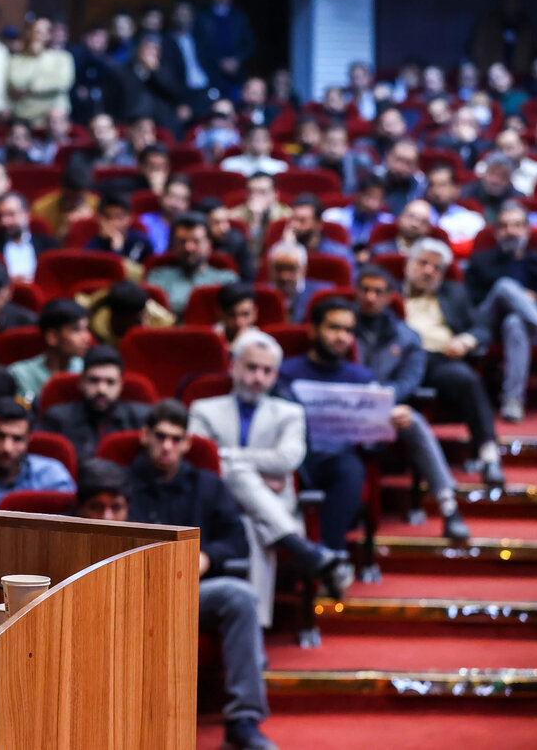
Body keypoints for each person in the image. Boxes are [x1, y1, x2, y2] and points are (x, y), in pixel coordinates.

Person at [124, 399, 274, 750]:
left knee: (240, 596)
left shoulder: (209, 485)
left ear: (188, 443)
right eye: (160, 437)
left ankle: (243, 720)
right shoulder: (122, 482)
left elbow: (239, 542)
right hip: (127, 590)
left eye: (176, 439)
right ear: (145, 436)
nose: (167, 446)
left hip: (192, 591)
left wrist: (207, 557)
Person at [189, 330, 343, 627]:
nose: (258, 377)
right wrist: (260, 471)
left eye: (267, 370)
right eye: (251, 367)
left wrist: (230, 460)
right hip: (218, 508)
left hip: (268, 512)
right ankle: (300, 547)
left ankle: (253, 629)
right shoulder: (203, 410)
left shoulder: (290, 413)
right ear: (233, 366)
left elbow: (288, 459)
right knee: (241, 481)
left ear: (275, 376)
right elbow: (202, 460)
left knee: (251, 525)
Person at [353, 266, 471, 540]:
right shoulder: (342, 326)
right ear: (356, 291)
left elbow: (410, 381)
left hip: (389, 410)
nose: (370, 297)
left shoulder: (408, 337)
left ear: (389, 297)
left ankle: (448, 506)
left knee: (415, 422)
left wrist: (381, 401)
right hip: (347, 408)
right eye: (365, 290)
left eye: (378, 292)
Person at [401, 239, 504, 483]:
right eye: (423, 263)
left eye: (436, 268)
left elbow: (482, 328)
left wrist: (467, 340)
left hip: (438, 360)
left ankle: (489, 455)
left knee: (467, 378)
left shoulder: (454, 292)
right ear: (409, 264)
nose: (428, 271)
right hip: (400, 361)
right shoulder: (390, 291)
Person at [274, 300, 370, 553]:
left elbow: (376, 438)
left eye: (349, 331)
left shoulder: (362, 378)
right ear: (313, 330)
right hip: (293, 456)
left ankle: (330, 554)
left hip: (337, 459)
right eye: (334, 328)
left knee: (350, 468)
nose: (342, 337)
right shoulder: (284, 372)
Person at [464, 203, 537, 422]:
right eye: (504, 226)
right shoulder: (482, 259)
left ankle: (513, 401)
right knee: (505, 286)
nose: (511, 231)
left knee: (514, 323)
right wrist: (512, 296)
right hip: (488, 322)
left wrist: (536, 298)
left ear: (528, 231)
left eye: (517, 225)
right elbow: (470, 300)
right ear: (495, 232)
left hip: (529, 327)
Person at [41, 345, 150, 466]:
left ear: (121, 385)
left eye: (110, 382)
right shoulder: (57, 419)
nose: (101, 389)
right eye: (94, 380)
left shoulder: (141, 419)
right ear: (81, 382)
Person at [147, 213, 239, 319]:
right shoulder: (158, 278)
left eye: (196, 241)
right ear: (173, 245)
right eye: (182, 242)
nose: (189, 248)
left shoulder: (227, 280)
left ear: (209, 244)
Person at [7, 298, 92, 404]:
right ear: (52, 337)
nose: (87, 337)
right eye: (76, 329)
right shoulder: (20, 375)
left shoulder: (87, 371)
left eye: (86, 329)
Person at [193, 0, 255, 97]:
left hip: (236, 78)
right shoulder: (201, 16)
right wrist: (219, 61)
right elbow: (199, 46)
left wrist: (237, 59)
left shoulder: (239, 17)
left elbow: (249, 43)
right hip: (209, 78)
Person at [6, 16, 75, 126]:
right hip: (25, 118)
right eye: (37, 31)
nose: (40, 36)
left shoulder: (63, 58)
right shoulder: (17, 60)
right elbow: (17, 82)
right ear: (30, 33)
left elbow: (61, 83)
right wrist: (33, 58)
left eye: (45, 31)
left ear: (50, 35)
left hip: (53, 121)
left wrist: (28, 91)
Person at [0, 192, 59, 282]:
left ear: (26, 214)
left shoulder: (48, 244)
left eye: (11, 214)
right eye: (0, 216)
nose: (4, 222)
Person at [265, 240, 332, 324]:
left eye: (291, 269)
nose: (284, 276)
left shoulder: (321, 294)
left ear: (303, 270)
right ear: (270, 269)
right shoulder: (262, 295)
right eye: (279, 268)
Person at [32, 162, 100, 242]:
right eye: (70, 197)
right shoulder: (40, 209)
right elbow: (40, 244)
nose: (74, 202)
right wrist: (65, 228)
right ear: (62, 188)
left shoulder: (97, 206)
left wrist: (91, 222)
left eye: (78, 198)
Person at [231, 172, 292, 260]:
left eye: (262, 192)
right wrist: (255, 222)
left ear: (275, 194)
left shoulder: (288, 217)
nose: (255, 197)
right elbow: (250, 256)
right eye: (251, 192)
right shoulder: (235, 216)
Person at [297, 124, 372, 193]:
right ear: (321, 143)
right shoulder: (308, 163)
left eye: (339, 142)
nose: (333, 147)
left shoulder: (361, 162)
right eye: (329, 142)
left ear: (346, 145)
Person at [423, 164, 486, 246]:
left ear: (456, 189)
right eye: (432, 185)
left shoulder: (471, 220)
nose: (436, 191)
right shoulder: (418, 215)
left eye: (442, 185)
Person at [321, 177, 393, 249]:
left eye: (379, 199)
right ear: (358, 195)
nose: (374, 204)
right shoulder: (333, 218)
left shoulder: (388, 222)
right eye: (370, 197)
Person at [478, 129, 537, 197]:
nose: (505, 153)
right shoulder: (484, 167)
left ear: (523, 147)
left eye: (510, 148)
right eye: (501, 148)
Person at [84, 192, 153, 264]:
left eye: (120, 217)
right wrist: (116, 248)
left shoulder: (141, 242)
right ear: (100, 219)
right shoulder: (92, 247)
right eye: (108, 217)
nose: (114, 223)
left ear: (130, 218)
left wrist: (118, 248)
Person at [290, 194, 353, 267]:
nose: (295, 225)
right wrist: (287, 247)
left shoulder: (339, 256)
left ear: (318, 224)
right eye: (293, 219)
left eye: (302, 220)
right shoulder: (284, 251)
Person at [369, 139, 427, 216]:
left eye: (408, 163)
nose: (401, 168)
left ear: (416, 166)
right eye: (398, 160)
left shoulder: (420, 185)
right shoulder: (373, 177)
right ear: (388, 156)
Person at [139, 175, 192, 254]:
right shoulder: (144, 222)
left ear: (188, 204)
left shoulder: (192, 229)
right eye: (172, 196)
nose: (175, 203)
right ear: (162, 197)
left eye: (182, 199)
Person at [460, 155, 520, 225]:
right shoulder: (467, 193)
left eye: (503, 176)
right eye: (492, 173)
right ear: (484, 174)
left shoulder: (517, 199)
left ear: (509, 180)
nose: (495, 180)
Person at [368, 199, 435, 258]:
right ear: (400, 218)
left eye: (423, 221)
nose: (415, 224)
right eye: (411, 217)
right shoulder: (380, 253)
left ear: (429, 228)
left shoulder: (432, 260)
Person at [220, 125, 288, 176]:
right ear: (244, 142)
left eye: (264, 139)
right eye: (255, 139)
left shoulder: (280, 167)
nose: (259, 143)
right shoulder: (229, 165)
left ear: (270, 144)